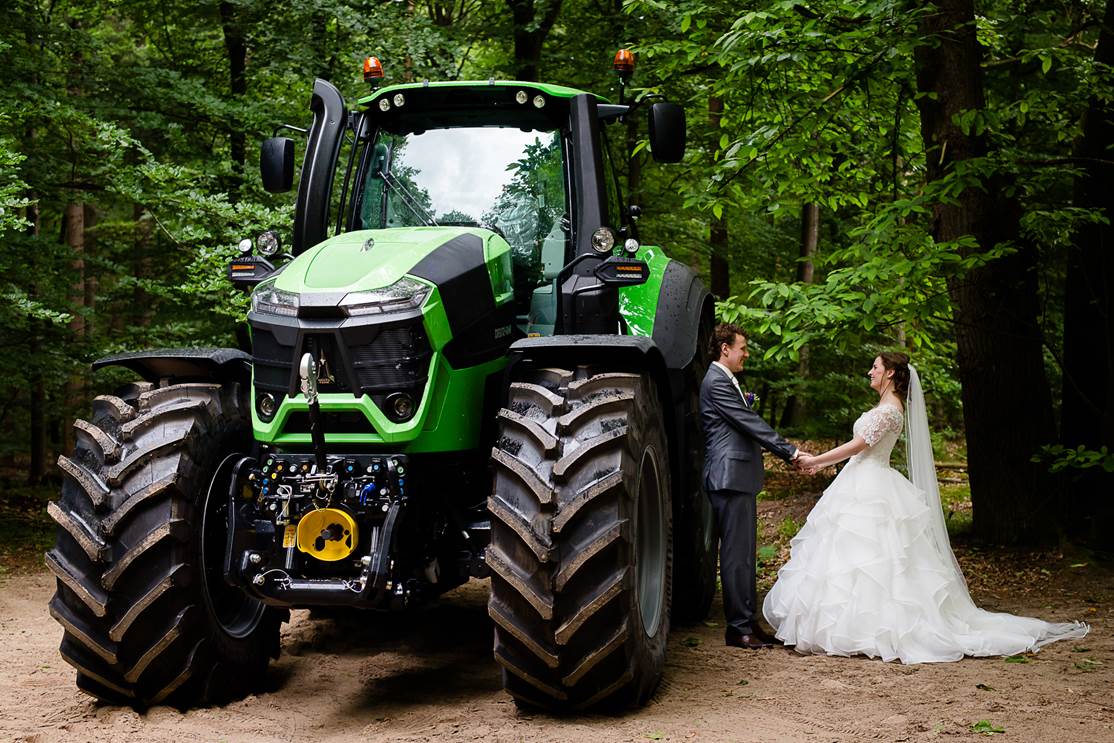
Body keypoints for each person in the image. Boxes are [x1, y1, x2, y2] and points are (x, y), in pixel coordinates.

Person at [763, 352, 1089, 662]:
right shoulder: (885, 407)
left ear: (890, 372)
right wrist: (819, 463)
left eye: (875, 367)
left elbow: (859, 445)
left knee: (874, 558)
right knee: (853, 556)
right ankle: (848, 628)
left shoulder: (889, 411)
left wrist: (816, 461)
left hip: (871, 485)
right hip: (859, 480)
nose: (870, 372)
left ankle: (870, 630)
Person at [700, 323, 804, 649]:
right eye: (742, 348)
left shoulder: (726, 381)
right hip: (728, 477)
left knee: (744, 555)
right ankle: (737, 628)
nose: (746, 354)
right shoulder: (716, 381)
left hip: (737, 477)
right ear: (725, 349)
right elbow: (748, 421)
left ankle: (747, 621)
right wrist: (790, 452)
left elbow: (744, 415)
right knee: (735, 556)